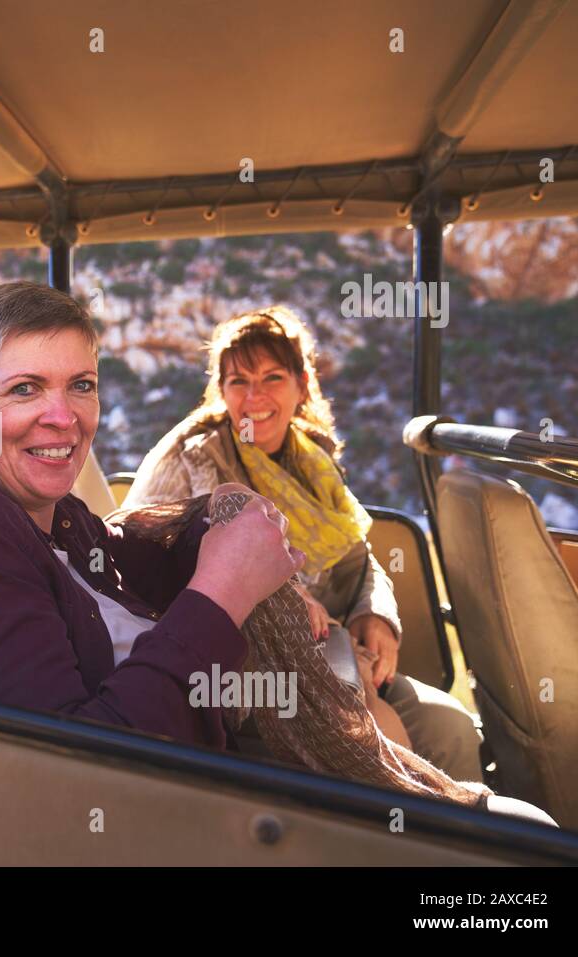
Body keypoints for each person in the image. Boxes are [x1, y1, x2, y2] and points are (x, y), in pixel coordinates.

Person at [0, 282, 301, 748]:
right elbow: (66, 761)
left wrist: (213, 518)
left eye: (81, 386)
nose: (64, 417)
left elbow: (129, 554)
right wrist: (222, 593)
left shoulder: (57, 517)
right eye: (25, 389)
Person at [123, 306, 484, 782]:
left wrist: (373, 614)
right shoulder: (193, 459)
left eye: (272, 377)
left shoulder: (313, 457)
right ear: (220, 391)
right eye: (237, 382)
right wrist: (281, 593)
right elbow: (145, 565)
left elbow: (359, 556)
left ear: (302, 384)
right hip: (245, 670)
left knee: (452, 725)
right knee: (376, 732)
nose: (255, 398)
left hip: (335, 651)